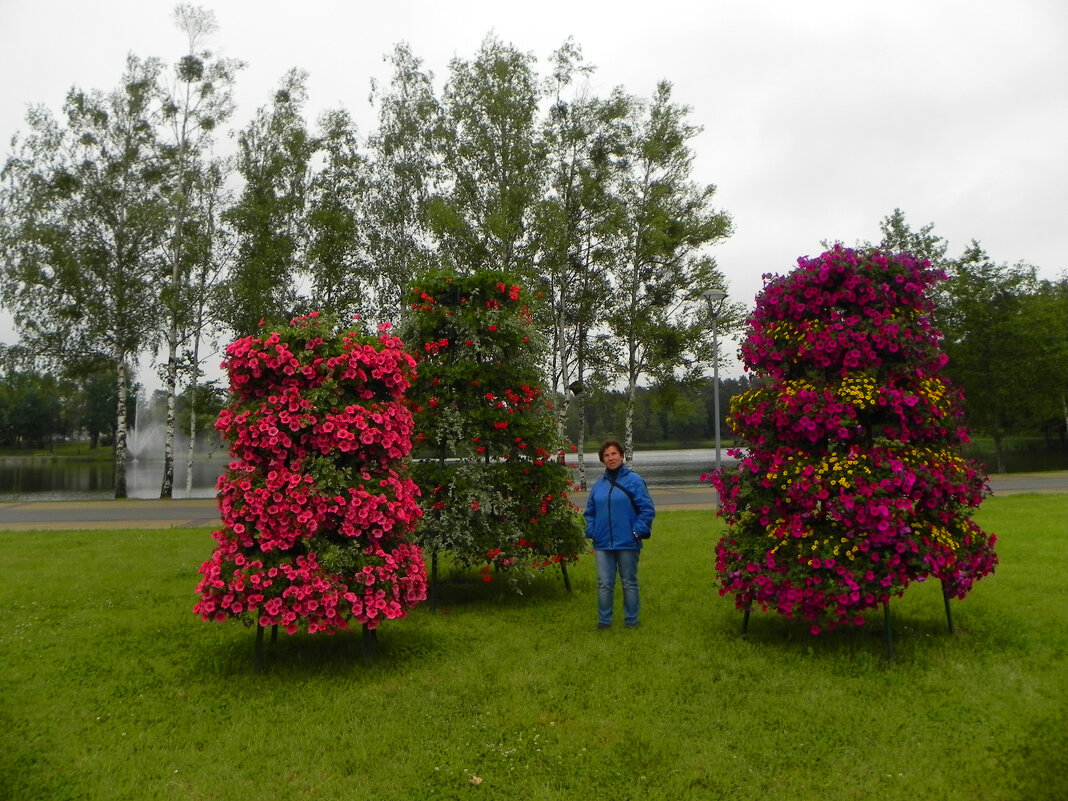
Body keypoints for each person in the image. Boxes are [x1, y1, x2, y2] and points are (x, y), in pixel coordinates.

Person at [584, 440, 655, 629]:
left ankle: (632, 621)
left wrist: (636, 531)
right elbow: (589, 512)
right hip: (602, 543)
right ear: (602, 460)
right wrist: (592, 530)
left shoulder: (634, 481)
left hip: (628, 542)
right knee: (604, 584)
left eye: (614, 454)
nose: (611, 458)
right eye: (606, 455)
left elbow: (647, 510)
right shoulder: (599, 485)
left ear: (621, 456)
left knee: (629, 583)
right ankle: (604, 622)